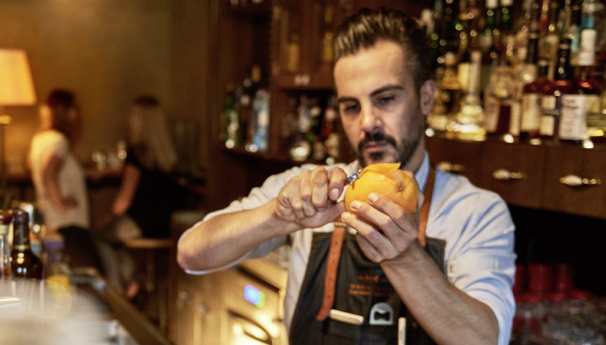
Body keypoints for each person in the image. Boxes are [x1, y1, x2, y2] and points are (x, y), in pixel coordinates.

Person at [177, 8, 515, 345]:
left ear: (426, 97)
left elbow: (486, 339)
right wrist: (278, 216)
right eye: (351, 106)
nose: (367, 122)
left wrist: (405, 257)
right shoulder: (311, 188)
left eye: (385, 99)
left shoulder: (475, 211)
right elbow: (191, 254)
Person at [94, 95, 180, 298]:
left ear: (140, 120)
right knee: (118, 242)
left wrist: (107, 218)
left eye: (132, 115)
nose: (129, 119)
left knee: (100, 235)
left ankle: (116, 289)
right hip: (166, 224)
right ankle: (133, 281)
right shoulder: (167, 153)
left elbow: (124, 201)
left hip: (141, 224)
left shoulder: (138, 153)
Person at [28, 89, 99, 270]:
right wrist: (60, 203)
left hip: (51, 221)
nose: (78, 113)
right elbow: (47, 171)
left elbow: (34, 168)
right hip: (69, 222)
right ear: (65, 112)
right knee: (91, 277)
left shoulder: (38, 140)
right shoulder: (60, 141)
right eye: (75, 108)